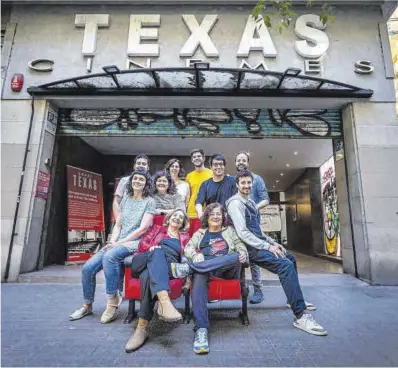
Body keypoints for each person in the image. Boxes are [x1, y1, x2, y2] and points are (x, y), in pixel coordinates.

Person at [226, 170, 326, 336]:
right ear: (237, 184)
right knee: (285, 266)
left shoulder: (250, 201)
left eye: (249, 183)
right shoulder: (235, 203)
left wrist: (273, 243)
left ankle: (293, 299)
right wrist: (267, 247)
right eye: (243, 183)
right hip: (248, 248)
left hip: (258, 244)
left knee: (290, 258)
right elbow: (243, 232)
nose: (246, 186)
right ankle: (300, 316)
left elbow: (257, 230)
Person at [69, 170, 156, 324]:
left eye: (141, 179)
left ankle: (112, 301)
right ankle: (87, 305)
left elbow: (142, 229)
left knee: (110, 256)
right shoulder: (126, 199)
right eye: (135, 178)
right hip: (119, 241)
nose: (137, 181)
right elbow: (118, 224)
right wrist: (112, 241)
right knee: (88, 268)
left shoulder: (150, 201)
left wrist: (119, 243)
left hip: (136, 242)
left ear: (146, 183)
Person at [173, 203, 248, 354]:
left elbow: (241, 246)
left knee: (235, 256)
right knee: (199, 275)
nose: (215, 216)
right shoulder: (200, 233)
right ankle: (201, 329)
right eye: (212, 214)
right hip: (206, 270)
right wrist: (195, 255)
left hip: (227, 268)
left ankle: (189, 268)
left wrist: (242, 252)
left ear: (223, 217)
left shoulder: (230, 231)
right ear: (206, 217)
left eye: (218, 214)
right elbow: (188, 247)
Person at [125, 209, 190, 353]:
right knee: (158, 252)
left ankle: (141, 329)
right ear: (168, 218)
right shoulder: (157, 229)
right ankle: (165, 303)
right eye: (175, 215)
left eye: (181, 217)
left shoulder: (185, 237)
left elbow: (190, 253)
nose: (177, 218)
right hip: (144, 260)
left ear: (183, 223)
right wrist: (151, 247)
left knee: (149, 275)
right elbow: (142, 245)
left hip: (165, 269)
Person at [235, 151, 270, 305]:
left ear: (248, 162)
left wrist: (253, 207)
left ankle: (258, 290)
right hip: (236, 225)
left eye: (243, 160)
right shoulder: (234, 180)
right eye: (238, 160)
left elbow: (266, 200)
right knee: (239, 257)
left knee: (254, 259)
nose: (241, 162)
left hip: (253, 226)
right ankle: (241, 289)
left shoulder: (257, 179)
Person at [195, 153, 236, 219]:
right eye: (215, 164)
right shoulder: (205, 184)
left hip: (229, 220)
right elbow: (198, 202)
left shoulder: (233, 181)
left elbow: (236, 201)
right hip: (212, 220)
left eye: (221, 164)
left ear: (224, 166)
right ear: (211, 167)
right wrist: (200, 213)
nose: (219, 167)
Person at [113, 153, 150, 218]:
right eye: (138, 163)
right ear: (134, 166)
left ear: (148, 167)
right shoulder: (124, 180)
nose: (141, 165)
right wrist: (118, 219)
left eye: (144, 164)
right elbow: (116, 201)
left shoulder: (150, 183)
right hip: (124, 217)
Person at [186, 149, 213, 219]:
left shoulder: (212, 173)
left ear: (203, 158)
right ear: (192, 160)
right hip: (191, 212)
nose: (196, 158)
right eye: (194, 157)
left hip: (208, 211)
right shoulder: (189, 176)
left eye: (199, 156)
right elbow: (188, 195)